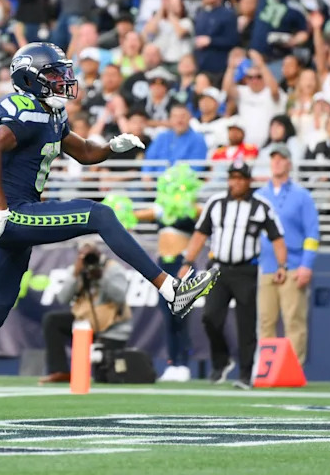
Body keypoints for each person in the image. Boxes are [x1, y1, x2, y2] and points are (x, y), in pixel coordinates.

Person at [0, 43, 219, 420]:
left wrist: (113, 146)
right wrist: (0, 209)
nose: (65, 81)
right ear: (31, 78)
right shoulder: (23, 111)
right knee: (100, 214)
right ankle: (171, 290)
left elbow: (85, 152)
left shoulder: (50, 116)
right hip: (12, 214)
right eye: (55, 74)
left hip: (17, 215)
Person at [176, 160, 287, 389]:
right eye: (232, 177)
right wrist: (187, 261)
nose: (235, 182)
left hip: (246, 270)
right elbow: (200, 233)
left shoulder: (261, 206)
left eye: (240, 178)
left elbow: (277, 237)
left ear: (248, 181)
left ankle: (246, 373)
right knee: (209, 317)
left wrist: (282, 265)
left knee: (246, 324)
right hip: (218, 268)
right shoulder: (216, 203)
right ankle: (221, 359)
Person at [254, 144, 319, 365]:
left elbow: (312, 233)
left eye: (282, 158)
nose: (277, 162)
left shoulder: (302, 196)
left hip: (293, 264)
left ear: (289, 163)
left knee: (294, 320)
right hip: (267, 264)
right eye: (274, 158)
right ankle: (267, 368)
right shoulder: (260, 195)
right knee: (266, 320)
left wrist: (306, 264)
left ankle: (293, 368)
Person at [134, 183, 202, 383]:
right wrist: (120, 210)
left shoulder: (191, 208)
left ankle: (184, 363)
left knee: (181, 315)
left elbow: (208, 213)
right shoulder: (161, 208)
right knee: (167, 316)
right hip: (163, 265)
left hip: (183, 265)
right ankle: (172, 363)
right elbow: (138, 215)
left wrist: (190, 203)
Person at [39, 242, 132, 384]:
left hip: (110, 328)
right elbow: (63, 298)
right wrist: (75, 275)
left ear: (99, 254)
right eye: (83, 255)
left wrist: (102, 278)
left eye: (90, 255)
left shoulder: (112, 269)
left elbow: (120, 297)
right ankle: (60, 371)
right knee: (52, 320)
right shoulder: (77, 269)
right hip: (85, 323)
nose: (87, 259)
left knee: (103, 377)